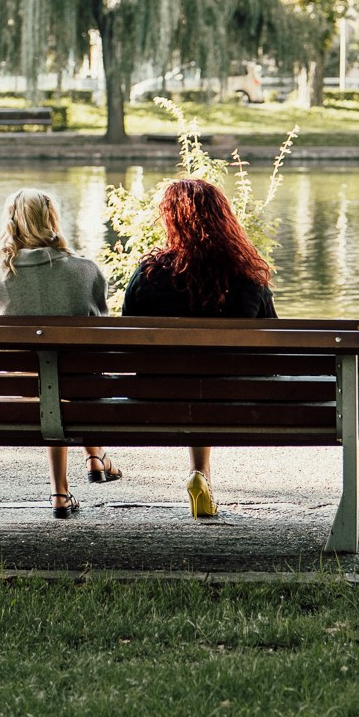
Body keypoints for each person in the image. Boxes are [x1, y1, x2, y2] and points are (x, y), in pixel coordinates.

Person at [120, 178, 277, 518]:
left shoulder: (149, 274)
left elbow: (128, 341)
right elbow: (270, 348)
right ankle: (201, 475)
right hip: (233, 396)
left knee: (192, 381)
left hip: (157, 395)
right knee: (207, 381)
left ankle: (200, 475)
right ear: (224, 218)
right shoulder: (248, 276)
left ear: (171, 219)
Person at [0, 188, 120, 518]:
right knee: (68, 378)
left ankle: (64, 488)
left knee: (48, 381)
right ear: (53, 220)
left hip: (15, 398)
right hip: (79, 391)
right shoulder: (87, 272)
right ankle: (89, 463)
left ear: (11, 224)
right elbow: (99, 342)